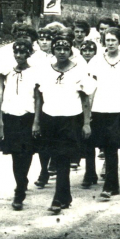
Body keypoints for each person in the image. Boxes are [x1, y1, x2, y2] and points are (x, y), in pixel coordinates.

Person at [82, 28, 120, 198]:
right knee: (108, 146)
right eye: (107, 40)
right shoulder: (96, 60)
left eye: (113, 40)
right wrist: (88, 111)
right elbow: (91, 87)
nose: (110, 43)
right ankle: (111, 185)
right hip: (102, 109)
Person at [35, 33, 85, 212]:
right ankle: (65, 196)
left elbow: (86, 97)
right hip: (49, 118)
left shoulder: (79, 69)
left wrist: (87, 122)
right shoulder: (45, 69)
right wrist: (36, 121)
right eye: (58, 48)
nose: (62, 52)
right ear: (53, 50)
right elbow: (39, 96)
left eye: (65, 49)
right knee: (55, 156)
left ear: (71, 50)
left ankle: (58, 198)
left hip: (71, 118)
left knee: (63, 156)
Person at [0, 39, 39, 210]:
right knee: (14, 154)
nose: (19, 55)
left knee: (25, 153)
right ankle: (20, 184)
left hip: (27, 117)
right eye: (16, 52)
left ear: (29, 53)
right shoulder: (7, 72)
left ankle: (20, 187)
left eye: (23, 52)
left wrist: (36, 121)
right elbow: (0, 91)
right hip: (10, 117)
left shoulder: (35, 72)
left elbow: (38, 98)